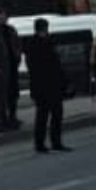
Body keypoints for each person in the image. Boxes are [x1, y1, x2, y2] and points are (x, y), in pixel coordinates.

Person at [24, 18, 69, 153]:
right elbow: (35, 68)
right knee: (43, 116)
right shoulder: (34, 45)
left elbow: (56, 64)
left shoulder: (47, 42)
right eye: (44, 29)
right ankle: (40, 144)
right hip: (42, 86)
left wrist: (63, 81)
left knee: (56, 114)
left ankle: (56, 142)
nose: (45, 31)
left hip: (52, 85)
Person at [0, 7, 24, 130]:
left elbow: (17, 44)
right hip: (1, 66)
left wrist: (17, 55)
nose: (2, 18)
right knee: (2, 94)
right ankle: (2, 118)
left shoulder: (11, 30)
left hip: (12, 64)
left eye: (3, 16)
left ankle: (13, 116)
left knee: (13, 93)